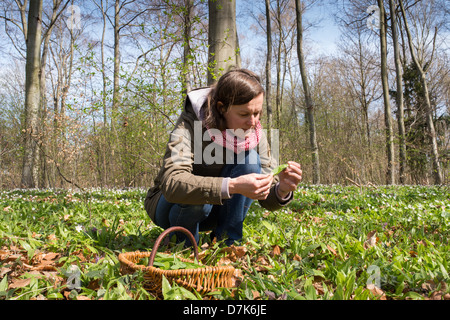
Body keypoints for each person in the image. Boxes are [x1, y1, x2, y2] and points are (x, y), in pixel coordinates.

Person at [144, 69, 302, 246]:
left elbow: (266, 197)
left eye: (257, 113)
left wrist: (282, 190)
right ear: (221, 108)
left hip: (216, 209)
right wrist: (232, 186)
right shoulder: (189, 123)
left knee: (250, 160)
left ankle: (228, 242)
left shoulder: (254, 133)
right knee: (199, 198)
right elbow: (172, 183)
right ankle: (183, 244)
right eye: (244, 114)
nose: (253, 122)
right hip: (168, 205)